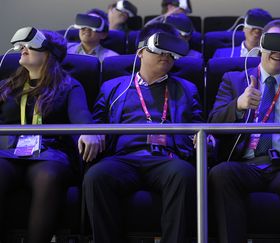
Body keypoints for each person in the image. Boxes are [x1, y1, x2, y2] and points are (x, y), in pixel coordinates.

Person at [83, 23, 203, 243]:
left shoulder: (187, 89)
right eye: (160, 48)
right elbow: (96, 122)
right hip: (123, 158)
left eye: (171, 51)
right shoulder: (113, 88)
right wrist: (93, 133)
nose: (166, 55)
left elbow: (198, 124)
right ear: (140, 51)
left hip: (166, 159)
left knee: (183, 173)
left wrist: (202, 138)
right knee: (96, 176)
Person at [208, 20, 280, 243]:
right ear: (261, 45)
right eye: (273, 43)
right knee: (221, 173)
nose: (279, 51)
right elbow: (213, 123)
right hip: (245, 165)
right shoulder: (233, 80)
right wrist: (238, 106)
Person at [0, 28, 103, 243]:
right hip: (12, 154)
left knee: (48, 176)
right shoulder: (8, 87)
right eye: (23, 46)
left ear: (49, 54)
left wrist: (89, 131)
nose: (23, 49)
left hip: (50, 155)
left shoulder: (69, 86)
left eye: (32, 46)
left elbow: (81, 117)